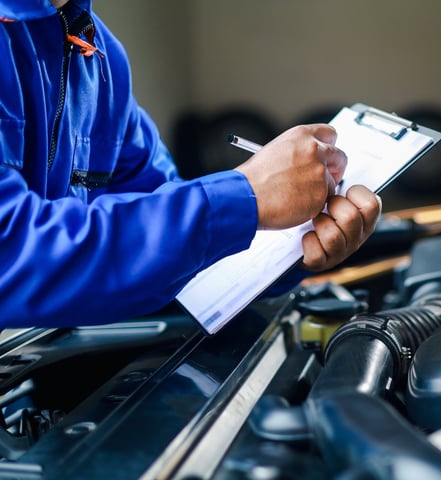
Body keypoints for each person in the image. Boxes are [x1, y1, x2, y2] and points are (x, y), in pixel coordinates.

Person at [0, 0, 382, 329]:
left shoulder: (97, 54)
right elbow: (10, 255)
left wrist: (294, 239)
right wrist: (247, 196)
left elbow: (168, 250)